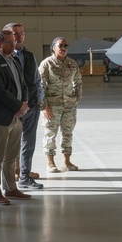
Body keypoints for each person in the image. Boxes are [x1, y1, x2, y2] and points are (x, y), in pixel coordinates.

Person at [0, 29, 32, 204]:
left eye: (13, 42)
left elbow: (23, 83)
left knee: (11, 156)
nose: (13, 45)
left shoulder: (15, 61)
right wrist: (19, 106)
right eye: (9, 42)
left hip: (17, 116)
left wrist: (25, 102)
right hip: (0, 118)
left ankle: (10, 188)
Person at [6, 23, 43, 189]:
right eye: (15, 33)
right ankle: (10, 176)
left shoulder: (29, 55)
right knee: (12, 143)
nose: (19, 36)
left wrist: (39, 99)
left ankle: (24, 175)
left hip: (32, 105)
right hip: (13, 108)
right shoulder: (1, 56)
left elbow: (36, 79)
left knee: (28, 142)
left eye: (22, 32)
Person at [39, 37, 83, 172]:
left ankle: (67, 161)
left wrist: (76, 98)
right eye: (61, 46)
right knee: (50, 133)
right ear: (53, 48)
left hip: (69, 105)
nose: (64, 48)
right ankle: (50, 162)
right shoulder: (47, 64)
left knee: (68, 133)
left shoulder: (72, 63)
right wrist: (44, 106)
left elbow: (78, 81)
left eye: (65, 46)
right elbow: (40, 86)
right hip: (52, 105)